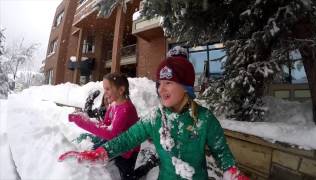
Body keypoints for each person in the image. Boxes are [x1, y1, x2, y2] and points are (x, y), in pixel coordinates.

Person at [59, 46, 249, 180]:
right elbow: (125, 139)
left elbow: (222, 153)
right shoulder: (155, 118)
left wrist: (232, 172)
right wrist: (101, 152)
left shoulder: (205, 119)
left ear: (186, 88)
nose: (160, 89)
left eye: (168, 83)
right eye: (159, 83)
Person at [67, 73, 140, 180]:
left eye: (108, 89)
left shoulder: (126, 109)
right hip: (117, 143)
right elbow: (105, 126)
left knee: (128, 177)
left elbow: (111, 133)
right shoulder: (114, 104)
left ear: (121, 90)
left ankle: (149, 163)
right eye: (104, 89)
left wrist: (83, 122)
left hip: (129, 149)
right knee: (95, 149)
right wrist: (86, 119)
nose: (104, 93)